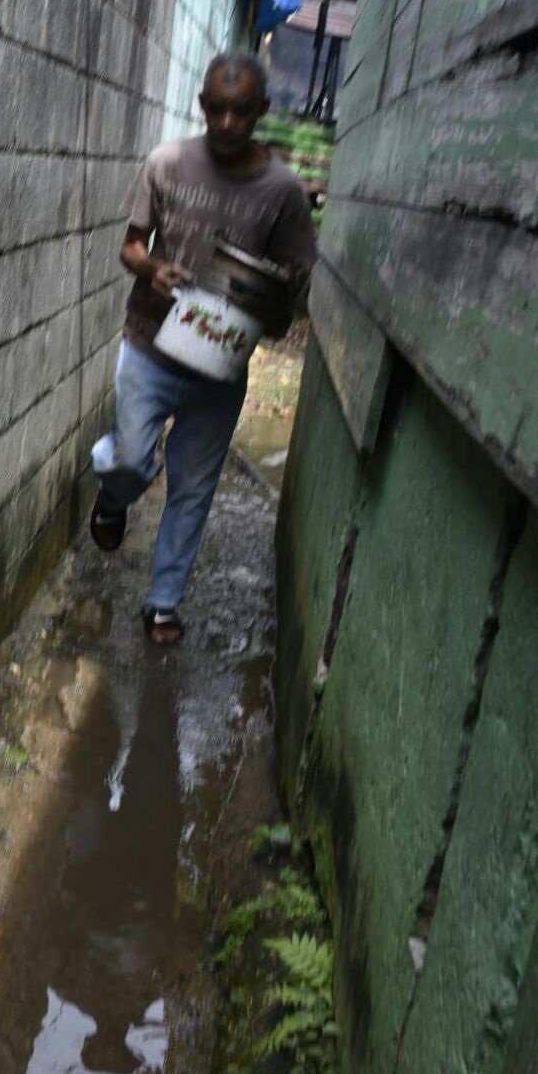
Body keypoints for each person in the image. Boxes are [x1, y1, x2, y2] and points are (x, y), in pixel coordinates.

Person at [89, 49, 316, 645]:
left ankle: (162, 603)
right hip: (150, 345)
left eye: (241, 112)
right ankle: (113, 497)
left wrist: (277, 299)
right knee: (134, 459)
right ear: (202, 106)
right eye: (216, 110)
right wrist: (152, 268)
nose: (226, 124)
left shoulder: (284, 192)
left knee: (192, 485)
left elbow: (296, 276)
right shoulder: (167, 163)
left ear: (263, 109)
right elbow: (130, 246)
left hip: (221, 363)